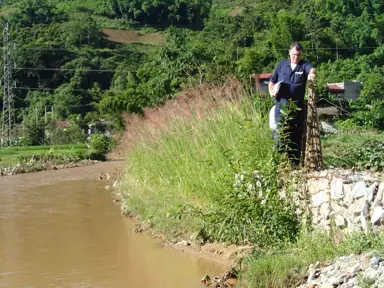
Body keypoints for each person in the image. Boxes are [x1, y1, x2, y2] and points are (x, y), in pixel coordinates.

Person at [268, 42, 316, 165]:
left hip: (296, 108)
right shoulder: (281, 65)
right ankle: (279, 163)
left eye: (299, 55)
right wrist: (271, 91)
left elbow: (312, 69)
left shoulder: (303, 65)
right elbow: (272, 81)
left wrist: (311, 75)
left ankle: (294, 165)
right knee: (281, 134)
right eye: (294, 54)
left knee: (295, 136)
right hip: (281, 106)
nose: (296, 57)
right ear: (289, 52)